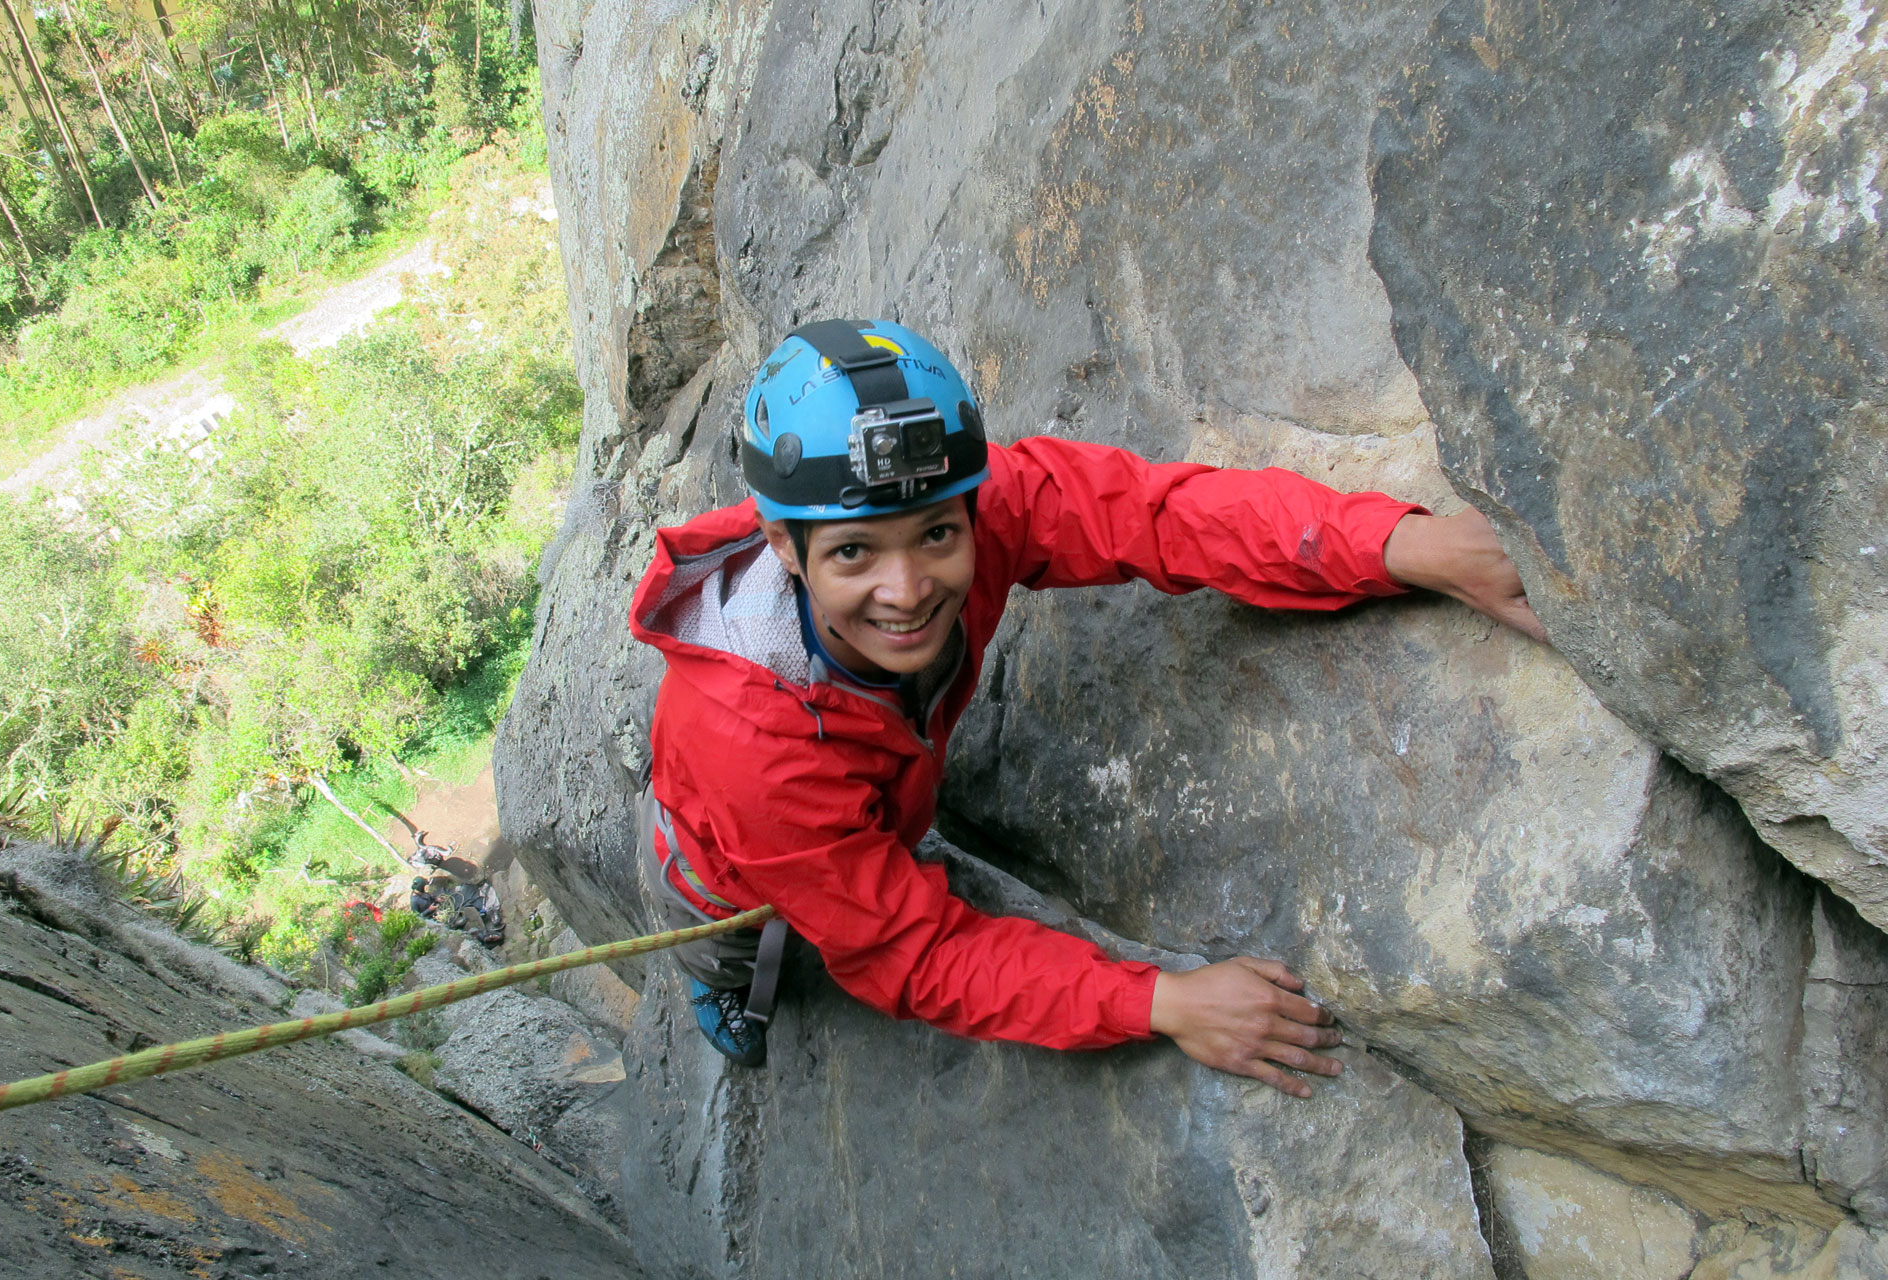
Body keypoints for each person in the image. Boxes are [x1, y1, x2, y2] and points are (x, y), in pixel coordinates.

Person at [629, 319, 1544, 1089]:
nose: (907, 589)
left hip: (860, 779)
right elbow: (914, 954)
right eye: (854, 555)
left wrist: (1401, 549)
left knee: (873, 838)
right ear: (782, 548)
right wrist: (1160, 1001)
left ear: (965, 509)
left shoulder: (980, 509)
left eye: (936, 535)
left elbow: (1156, 515)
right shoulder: (753, 753)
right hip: (723, 860)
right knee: (737, 956)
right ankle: (720, 989)